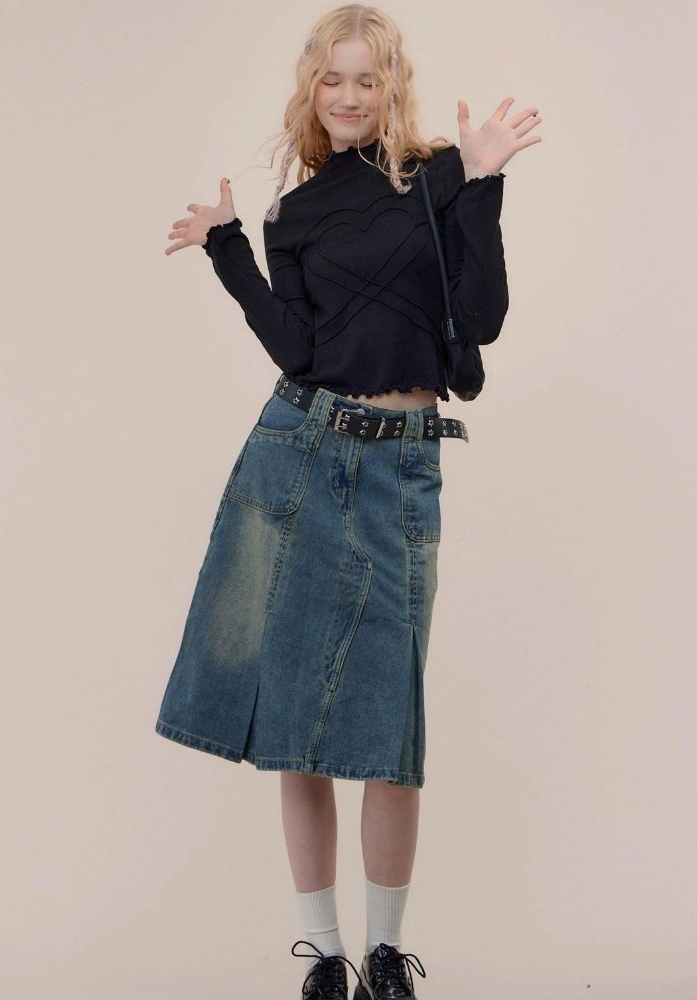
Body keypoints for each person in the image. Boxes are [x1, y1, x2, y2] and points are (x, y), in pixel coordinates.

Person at [157, 5, 542, 998]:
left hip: (403, 466)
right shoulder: (294, 216)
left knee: (388, 732)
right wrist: (230, 248)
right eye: (333, 79)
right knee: (299, 727)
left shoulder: (438, 175)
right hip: (302, 454)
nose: (349, 96)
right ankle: (326, 960)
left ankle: (384, 958)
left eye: (368, 79)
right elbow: (299, 350)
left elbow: (485, 316)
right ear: (312, 88)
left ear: (392, 86)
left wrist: (485, 182)